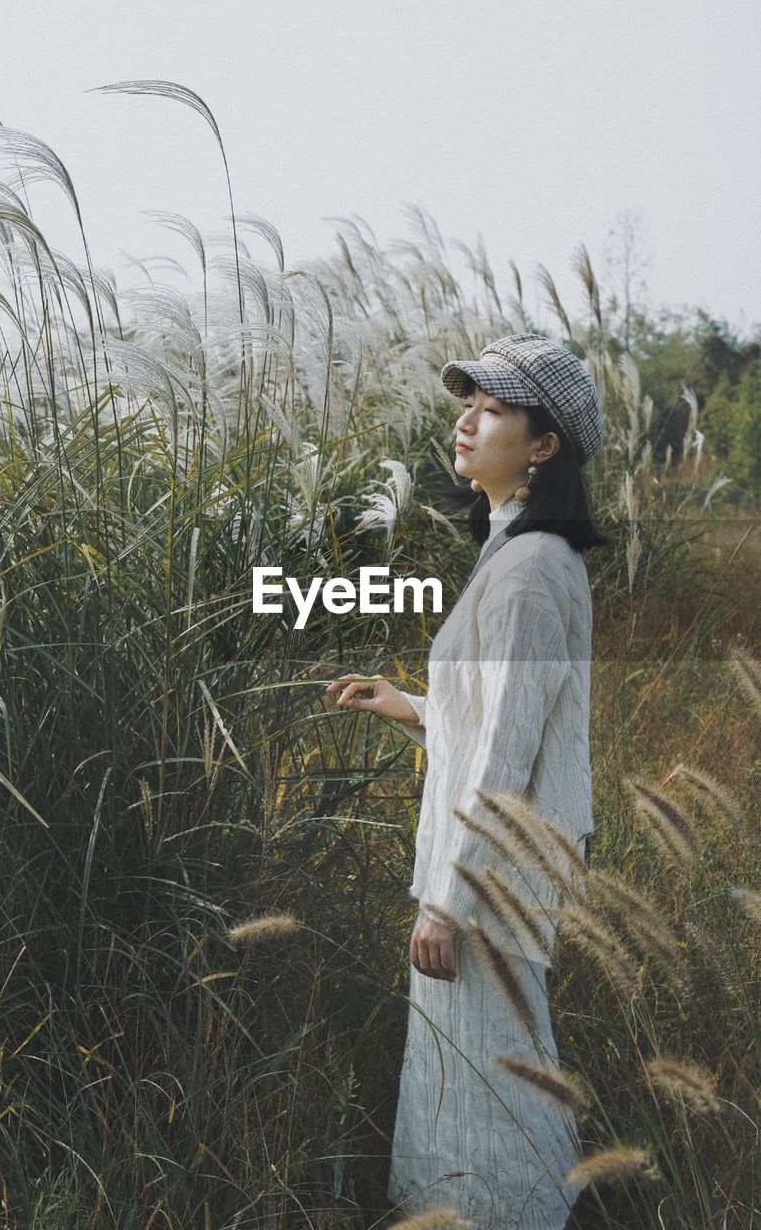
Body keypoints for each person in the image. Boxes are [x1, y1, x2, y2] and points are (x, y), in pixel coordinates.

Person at [325, 334, 609, 1229]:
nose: (465, 419)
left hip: (487, 888)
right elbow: (492, 717)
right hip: (493, 877)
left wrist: (449, 902)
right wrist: (408, 702)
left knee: (489, 1098)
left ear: (543, 444)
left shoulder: (526, 573)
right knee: (474, 1087)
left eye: (491, 408)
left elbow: (504, 753)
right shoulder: (517, 554)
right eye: (468, 402)